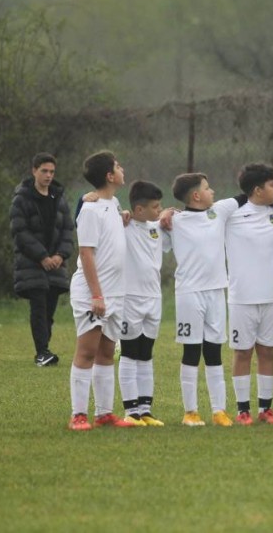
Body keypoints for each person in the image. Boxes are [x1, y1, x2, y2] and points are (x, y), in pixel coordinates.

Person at [165, 172, 249, 427]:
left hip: (216, 292)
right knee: (191, 351)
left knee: (214, 351)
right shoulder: (174, 221)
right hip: (189, 294)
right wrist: (163, 213)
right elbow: (141, 222)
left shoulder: (219, 211)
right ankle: (190, 412)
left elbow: (249, 196)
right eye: (207, 187)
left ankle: (218, 411)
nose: (212, 191)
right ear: (196, 195)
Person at [67, 150, 135, 430]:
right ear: (109, 175)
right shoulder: (90, 209)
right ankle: (78, 415)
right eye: (118, 166)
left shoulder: (114, 203)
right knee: (87, 352)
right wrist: (96, 294)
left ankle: (104, 413)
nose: (122, 169)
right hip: (93, 294)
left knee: (107, 352)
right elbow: (86, 254)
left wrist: (124, 216)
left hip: (116, 293)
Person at [226, 163, 273, 426]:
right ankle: (243, 410)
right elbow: (198, 214)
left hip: (272, 297)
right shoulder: (232, 214)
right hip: (241, 297)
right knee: (242, 353)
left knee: (268, 351)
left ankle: (266, 408)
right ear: (256, 190)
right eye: (272, 185)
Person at [10, 153, 74, 367]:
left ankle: (44, 349)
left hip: (55, 265)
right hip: (32, 264)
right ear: (34, 171)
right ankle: (42, 352)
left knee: (49, 311)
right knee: (38, 307)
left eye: (52, 172)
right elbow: (20, 232)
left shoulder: (59, 198)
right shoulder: (21, 199)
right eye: (44, 171)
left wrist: (59, 256)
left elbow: (67, 230)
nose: (48, 175)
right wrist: (42, 257)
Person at [117, 180, 167, 427]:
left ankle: (146, 410)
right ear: (138, 210)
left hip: (153, 299)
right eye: (155, 206)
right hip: (130, 299)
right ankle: (131, 411)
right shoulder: (123, 226)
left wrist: (168, 213)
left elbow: (173, 216)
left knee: (146, 353)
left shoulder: (157, 228)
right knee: (129, 352)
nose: (159, 210)